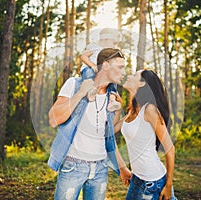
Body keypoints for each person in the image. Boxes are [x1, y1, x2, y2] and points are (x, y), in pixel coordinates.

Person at [48, 48, 130, 200]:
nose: (123, 72)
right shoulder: (74, 84)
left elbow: (108, 135)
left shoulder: (113, 96)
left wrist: (122, 168)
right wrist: (80, 94)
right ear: (105, 65)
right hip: (73, 166)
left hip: (100, 168)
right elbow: (53, 119)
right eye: (120, 67)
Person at [114, 69, 177, 200]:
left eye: (134, 75)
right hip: (137, 178)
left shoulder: (149, 110)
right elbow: (110, 130)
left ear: (142, 84)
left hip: (153, 182)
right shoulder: (132, 111)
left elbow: (170, 149)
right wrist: (118, 108)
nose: (129, 76)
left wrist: (169, 185)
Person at [80, 28, 121, 112]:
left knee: (112, 79)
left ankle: (112, 99)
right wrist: (92, 65)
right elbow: (83, 56)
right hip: (90, 68)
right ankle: (90, 92)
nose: (113, 45)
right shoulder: (94, 46)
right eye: (112, 42)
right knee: (89, 73)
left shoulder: (109, 51)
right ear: (105, 39)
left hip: (102, 72)